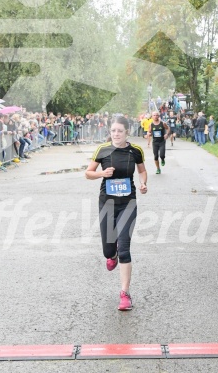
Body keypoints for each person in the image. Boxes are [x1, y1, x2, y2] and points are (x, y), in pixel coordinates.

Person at [85, 116, 147, 311]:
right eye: (113, 131)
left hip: (128, 203)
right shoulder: (102, 150)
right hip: (107, 204)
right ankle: (112, 255)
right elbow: (88, 173)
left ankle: (125, 294)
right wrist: (102, 174)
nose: (116, 134)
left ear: (127, 132)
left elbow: (142, 171)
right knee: (108, 250)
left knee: (125, 247)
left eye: (120, 131)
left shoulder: (135, 150)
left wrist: (144, 183)